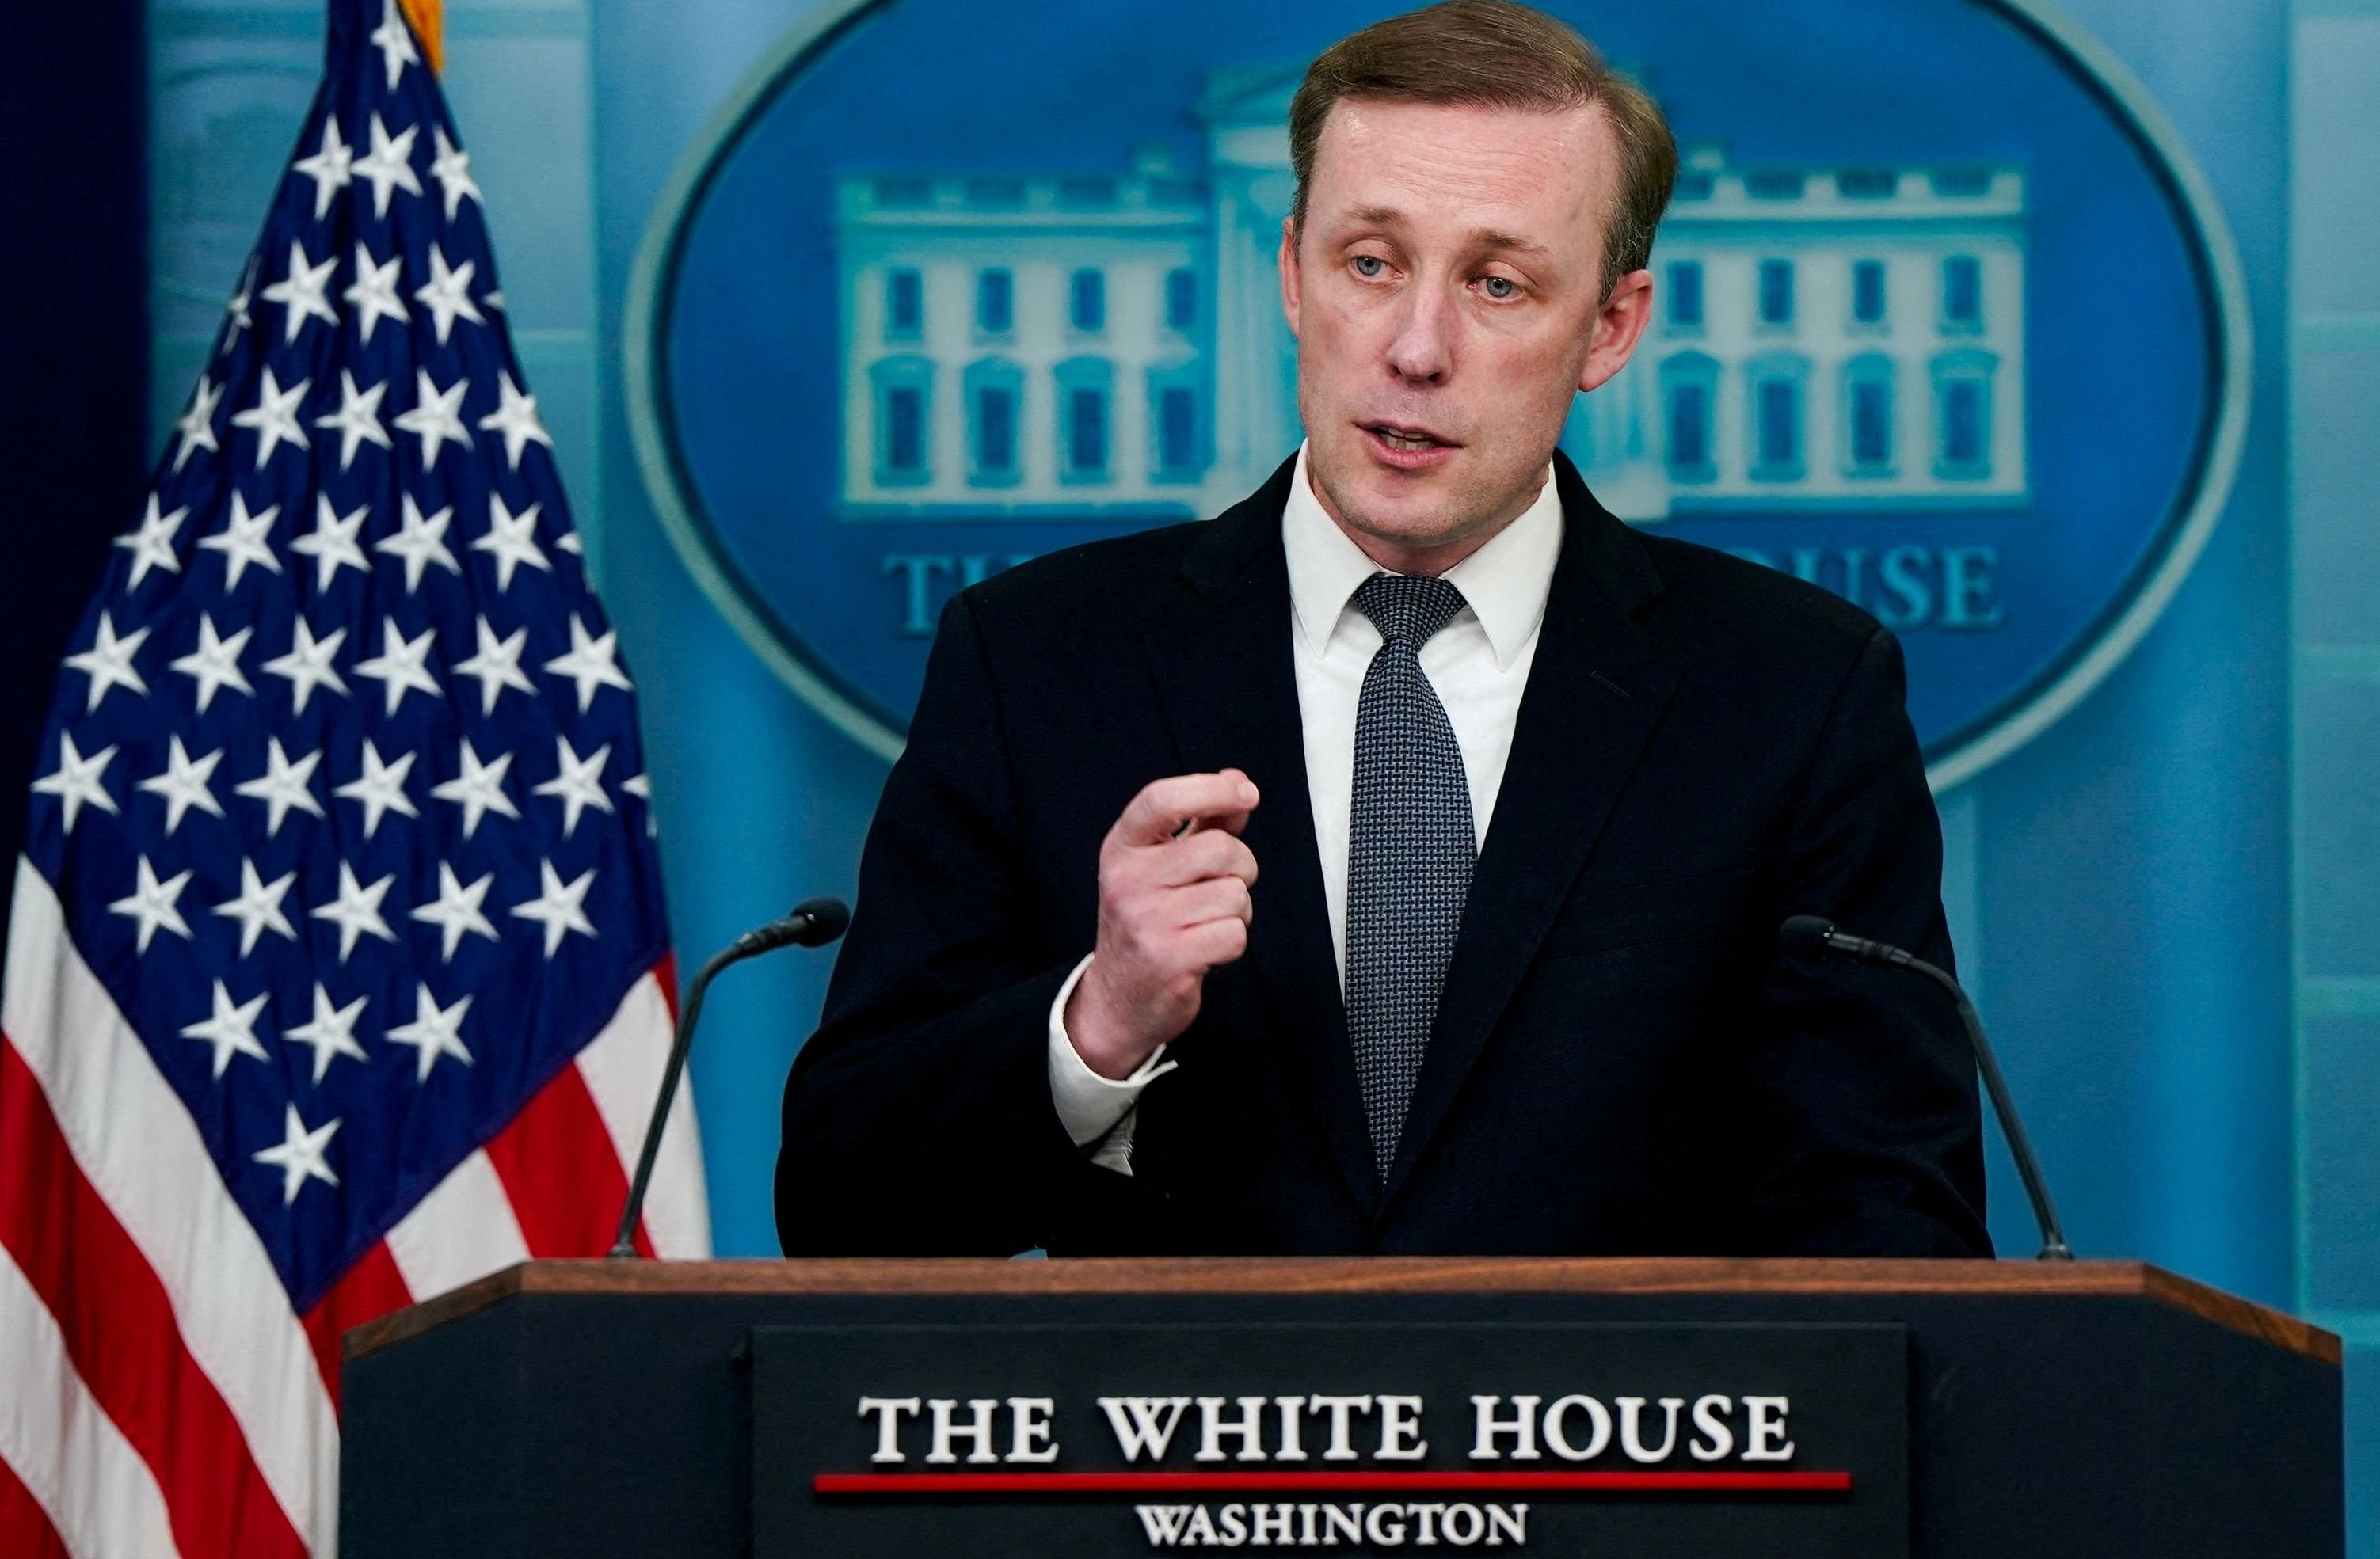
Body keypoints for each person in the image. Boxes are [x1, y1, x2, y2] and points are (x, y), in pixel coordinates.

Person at [775, 0, 1990, 1258]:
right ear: (1292, 271)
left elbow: (1896, 1232)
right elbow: (841, 1207)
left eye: (1498, 282)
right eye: (1371, 263)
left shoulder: (1792, 693)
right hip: (1174, 1454)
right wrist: (1097, 1025)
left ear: (1611, 328)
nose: (1417, 348)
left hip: (1607, 1453)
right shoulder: (1035, 662)